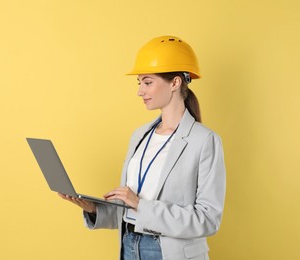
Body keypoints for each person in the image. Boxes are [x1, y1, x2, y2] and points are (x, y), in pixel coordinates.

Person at [58, 35, 226, 260]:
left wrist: (140, 204)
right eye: (139, 83)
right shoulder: (140, 135)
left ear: (175, 83)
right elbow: (130, 210)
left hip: (169, 253)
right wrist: (95, 209)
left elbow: (207, 219)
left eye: (147, 82)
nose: (140, 91)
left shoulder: (204, 140)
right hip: (129, 246)